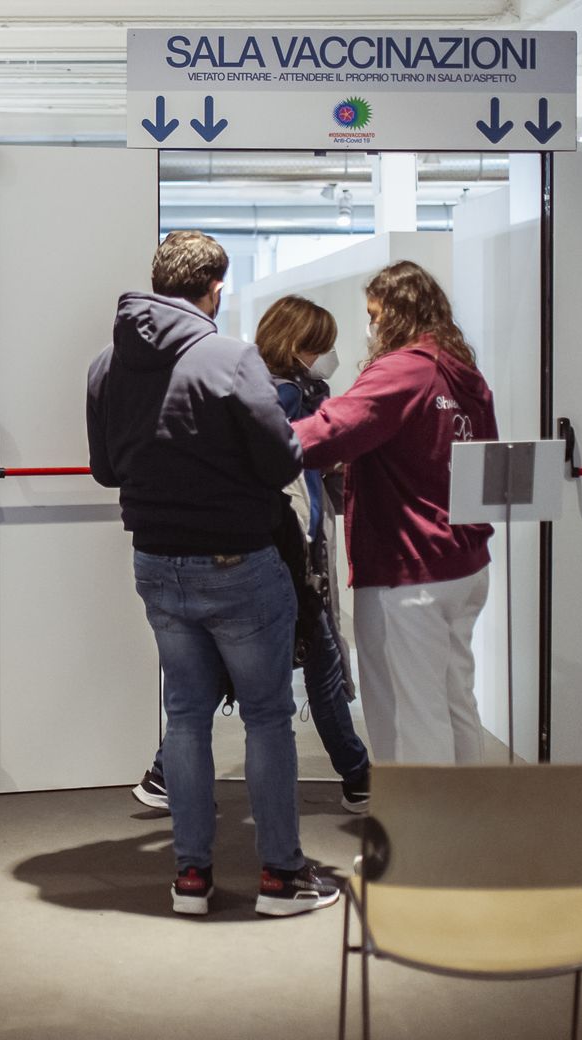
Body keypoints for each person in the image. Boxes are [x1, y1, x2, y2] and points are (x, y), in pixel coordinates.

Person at [85, 231, 339, 919]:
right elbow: (281, 460)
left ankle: (190, 880)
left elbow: (107, 469)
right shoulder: (231, 358)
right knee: (266, 717)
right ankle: (281, 879)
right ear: (215, 288)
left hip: (156, 565)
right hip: (238, 563)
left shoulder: (107, 365)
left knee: (187, 717)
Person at [130, 295, 374, 815]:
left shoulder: (285, 392)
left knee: (220, 674)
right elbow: (279, 468)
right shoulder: (279, 397)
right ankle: (357, 777)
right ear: (299, 346)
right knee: (311, 668)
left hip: (268, 546)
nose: (330, 355)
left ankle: (165, 774)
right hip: (278, 549)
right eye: (322, 346)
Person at [292, 260, 499, 764]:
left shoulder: (401, 370)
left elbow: (327, 433)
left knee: (410, 715)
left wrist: (249, 439)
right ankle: (465, 830)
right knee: (454, 704)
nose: (372, 326)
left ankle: (418, 839)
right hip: (463, 562)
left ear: (398, 314)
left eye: (375, 314)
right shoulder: (462, 373)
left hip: (409, 569)